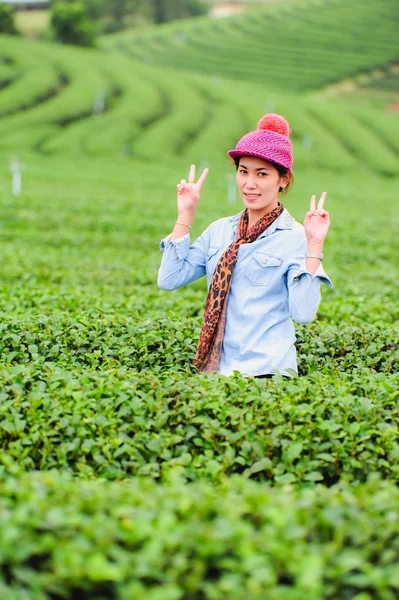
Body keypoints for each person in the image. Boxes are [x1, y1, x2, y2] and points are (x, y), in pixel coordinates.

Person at [158, 114, 332, 377]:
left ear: (283, 179)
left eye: (262, 174)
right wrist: (185, 215)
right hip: (219, 371)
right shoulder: (219, 231)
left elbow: (304, 314)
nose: (250, 184)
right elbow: (169, 279)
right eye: (243, 172)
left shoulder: (295, 236)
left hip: (268, 373)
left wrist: (314, 246)